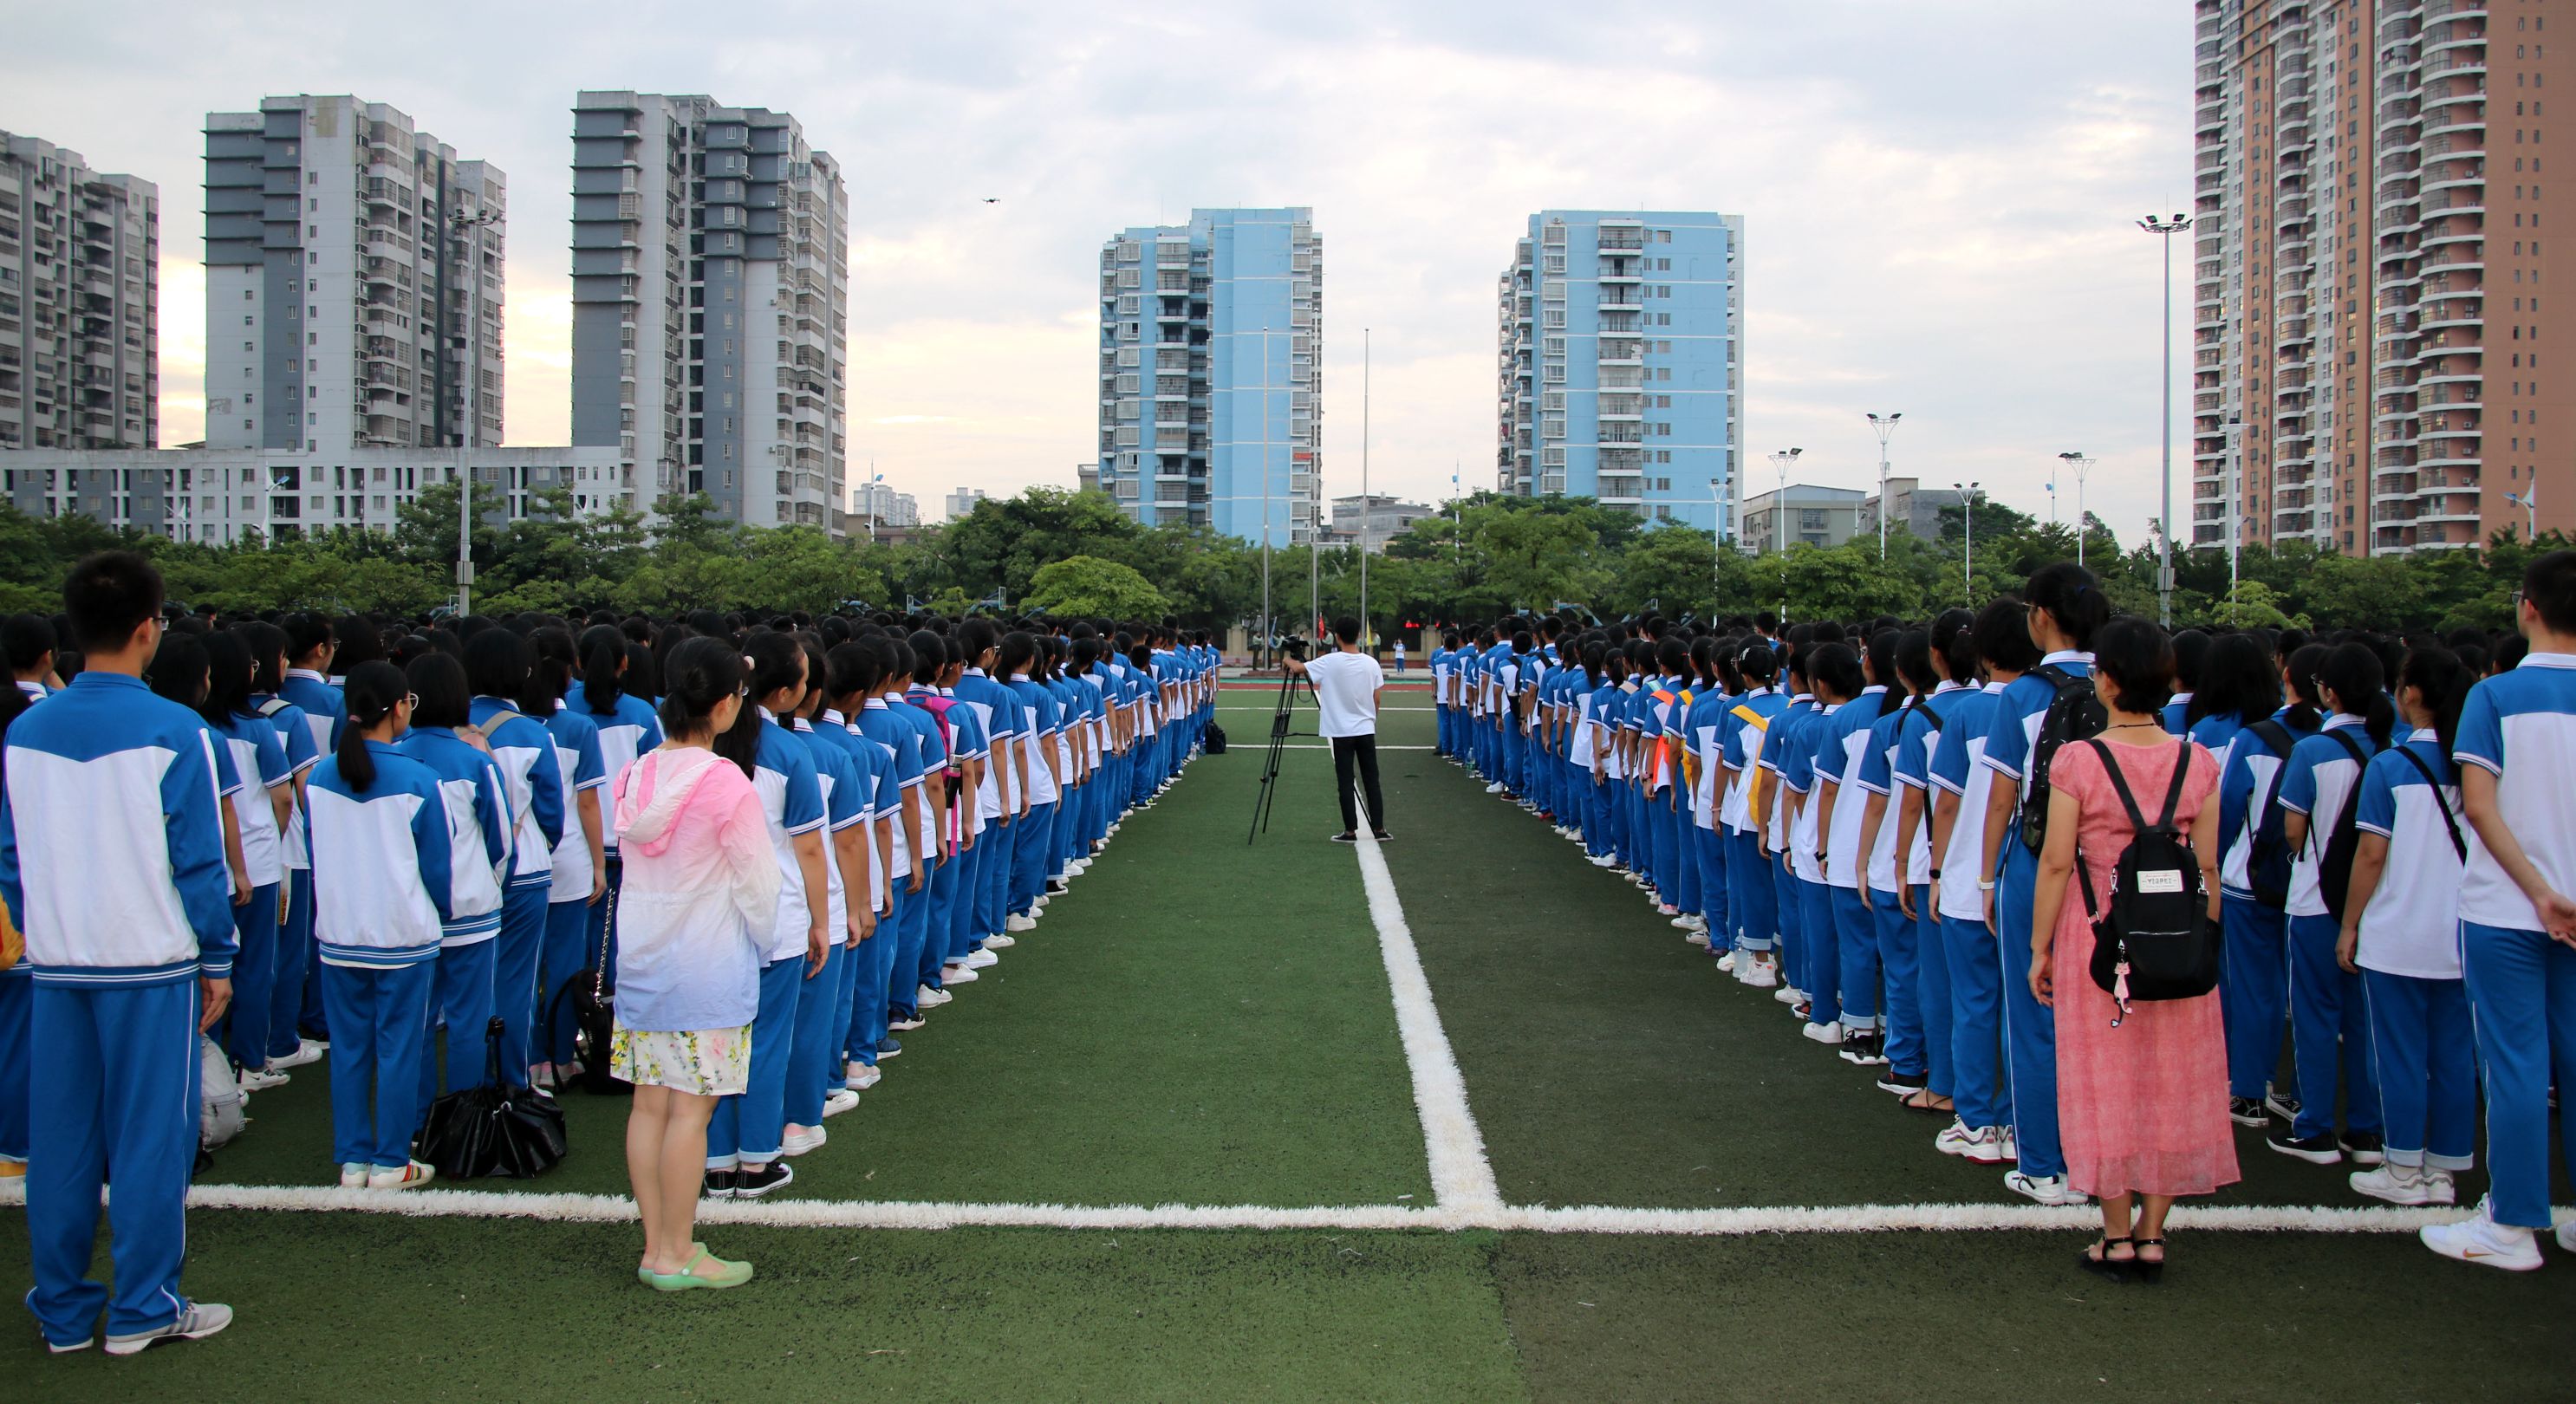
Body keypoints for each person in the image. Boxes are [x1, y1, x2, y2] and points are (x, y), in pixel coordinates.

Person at [3, 551, 238, 1353]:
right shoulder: (176, 729)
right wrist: (218, 958)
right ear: (149, 628)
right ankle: (143, 1307)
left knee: (62, 1141)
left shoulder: (24, 730)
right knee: (147, 1139)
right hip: (149, 964)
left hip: (58, 964)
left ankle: (64, 1312)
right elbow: (200, 863)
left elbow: (11, 857)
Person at [2026, 616, 2232, 1283]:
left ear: (2107, 681)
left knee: (2102, 1079)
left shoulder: (2078, 759)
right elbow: (2207, 868)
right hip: (2177, 938)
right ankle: (2151, 1233)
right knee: (2175, 1082)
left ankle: (2114, 1234)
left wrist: (2040, 947)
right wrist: (2203, 942)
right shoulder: (2198, 761)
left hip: (2097, 934)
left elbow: (2057, 861)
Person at [613, 639, 779, 1290]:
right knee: (692, 1112)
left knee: (649, 1106)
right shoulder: (723, 781)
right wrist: (764, 943)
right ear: (720, 704)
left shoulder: (636, 774)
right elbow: (758, 886)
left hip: (644, 959)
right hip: (707, 963)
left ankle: (658, 1245)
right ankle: (678, 1250)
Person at [2430, 549, 2576, 1271]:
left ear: (2528, 607)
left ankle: (2513, 1224)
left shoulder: (2493, 697)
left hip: (2507, 911)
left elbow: (2481, 809)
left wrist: (2541, 891)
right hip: (2560, 911)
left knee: (2517, 1065)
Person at [1979, 562, 2110, 1206]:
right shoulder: (2124, 683)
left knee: (2034, 1016)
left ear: (2041, 618)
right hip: (2114, 872)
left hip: (2036, 866)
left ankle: (2045, 1165)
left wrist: (1983, 878)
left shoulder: (2024, 697)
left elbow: (2001, 798)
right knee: (2108, 1018)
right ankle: (2102, 1164)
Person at [306, 660, 451, 1191]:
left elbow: (313, 850)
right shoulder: (418, 778)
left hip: (340, 934)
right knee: (400, 1046)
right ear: (398, 708)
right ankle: (392, 1159)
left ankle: (353, 1157)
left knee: (349, 1049)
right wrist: (442, 911)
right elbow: (437, 866)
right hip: (403, 935)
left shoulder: (320, 776)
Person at [2339, 644, 2475, 1207]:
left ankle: (2401, 1169)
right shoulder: (2477, 765)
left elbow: (2370, 856)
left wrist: (2349, 926)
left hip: (2398, 933)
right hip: (2464, 933)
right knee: (2453, 1057)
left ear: (2410, 694)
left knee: (2396, 1055)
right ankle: (2444, 1169)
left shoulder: (2390, 766)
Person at [2271, 643, 2392, 1166]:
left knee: (2316, 1016)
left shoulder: (2313, 751)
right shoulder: (2397, 745)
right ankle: (2365, 1129)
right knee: (2365, 1017)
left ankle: (2316, 1124)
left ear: (2328, 691)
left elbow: (2293, 828)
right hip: (2380, 902)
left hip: (2316, 899)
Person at [1286, 616, 1389, 843]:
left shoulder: (1330, 661)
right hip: (1365, 729)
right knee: (1372, 778)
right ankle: (1379, 828)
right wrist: (1370, 720)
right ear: (1360, 636)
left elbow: (1297, 669)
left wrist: (1287, 657)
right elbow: (1377, 698)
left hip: (1341, 731)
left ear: (1338, 637)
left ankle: (1351, 830)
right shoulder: (1371, 663)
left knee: (1345, 780)